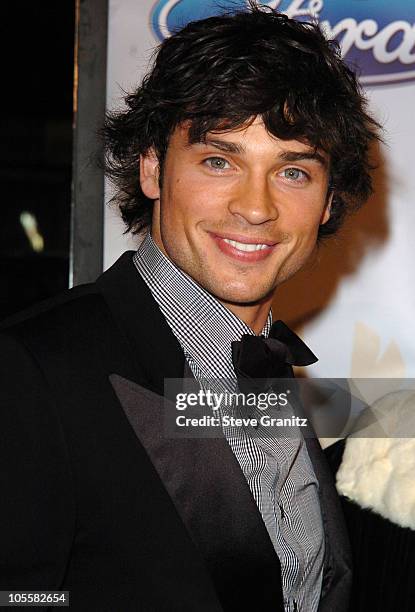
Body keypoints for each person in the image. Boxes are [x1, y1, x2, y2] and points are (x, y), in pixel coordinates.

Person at [0, 3, 379, 611]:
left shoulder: (274, 373)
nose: (255, 207)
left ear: (329, 201)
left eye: (293, 173)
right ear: (153, 168)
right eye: (218, 161)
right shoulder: (33, 368)